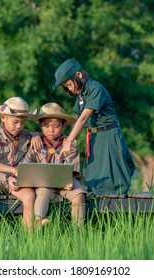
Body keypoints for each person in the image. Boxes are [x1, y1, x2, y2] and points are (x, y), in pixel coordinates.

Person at [53, 59, 135, 195]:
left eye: (68, 84)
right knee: (94, 173)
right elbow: (76, 119)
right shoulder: (80, 95)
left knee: (112, 175)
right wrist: (65, 139)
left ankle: (116, 206)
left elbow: (84, 117)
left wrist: (70, 141)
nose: (69, 89)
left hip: (108, 134)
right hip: (93, 136)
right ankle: (96, 205)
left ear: (78, 75)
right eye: (65, 87)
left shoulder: (96, 89)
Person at [9, 102, 87, 227]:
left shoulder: (69, 144)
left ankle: (79, 230)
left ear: (64, 125)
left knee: (79, 194)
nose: (51, 130)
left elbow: (72, 167)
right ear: (40, 125)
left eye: (56, 126)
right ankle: (40, 221)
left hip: (65, 182)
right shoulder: (36, 144)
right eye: (46, 126)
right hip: (43, 182)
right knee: (43, 192)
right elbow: (28, 164)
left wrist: (69, 180)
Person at [0, 97, 42, 233]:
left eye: (22, 123)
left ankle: (30, 239)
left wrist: (36, 134)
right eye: (15, 122)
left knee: (29, 197)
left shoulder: (28, 137)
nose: (19, 126)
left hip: (18, 181)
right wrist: (11, 171)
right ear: (3, 117)